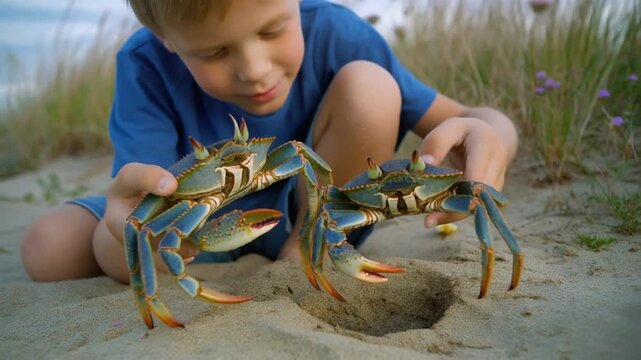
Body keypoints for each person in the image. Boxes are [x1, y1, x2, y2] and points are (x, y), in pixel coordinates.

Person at [21, 0, 517, 285]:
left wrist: (493, 135)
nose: (255, 70)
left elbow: (473, 119)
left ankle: (301, 260)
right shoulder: (145, 64)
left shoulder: (337, 32)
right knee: (46, 248)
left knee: (371, 87)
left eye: (273, 28)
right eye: (214, 50)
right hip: (195, 226)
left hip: (315, 213)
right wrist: (127, 236)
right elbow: (136, 206)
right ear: (164, 35)